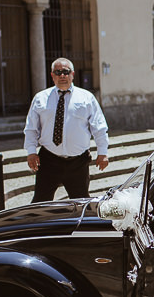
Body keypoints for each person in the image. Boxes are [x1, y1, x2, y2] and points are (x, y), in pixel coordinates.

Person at [24, 58, 110, 203]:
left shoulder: (86, 98)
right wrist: (31, 152)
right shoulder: (40, 98)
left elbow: (99, 126)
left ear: (72, 74)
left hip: (78, 162)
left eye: (66, 72)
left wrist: (103, 152)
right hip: (49, 160)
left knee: (81, 203)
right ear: (52, 75)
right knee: (40, 202)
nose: (62, 76)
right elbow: (31, 128)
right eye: (58, 72)